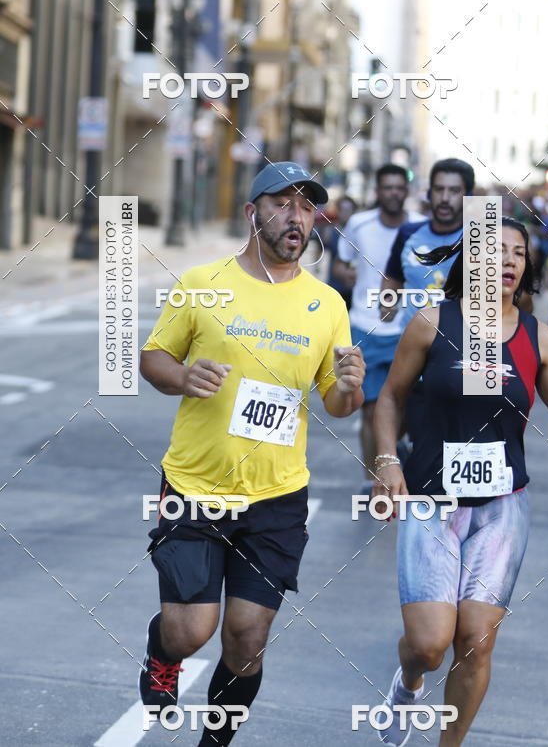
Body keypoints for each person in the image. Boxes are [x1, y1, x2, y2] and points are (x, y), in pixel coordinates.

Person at [138, 161, 365, 745]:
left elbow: (338, 405)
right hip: (196, 485)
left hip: (277, 496)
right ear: (252, 213)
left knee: (245, 639)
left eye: (307, 207)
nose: (297, 217)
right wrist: (183, 376)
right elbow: (152, 358)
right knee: (191, 631)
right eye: (283, 204)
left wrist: (351, 385)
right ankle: (162, 651)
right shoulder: (202, 283)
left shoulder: (327, 304)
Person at [372, 218, 548, 746]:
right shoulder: (432, 322)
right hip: (432, 499)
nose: (510, 261)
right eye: (497, 251)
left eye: (519, 253)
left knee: (475, 641)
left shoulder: (540, 339)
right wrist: (387, 460)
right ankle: (408, 683)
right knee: (429, 644)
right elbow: (391, 397)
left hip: (502, 504)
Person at [332, 165, 424, 487]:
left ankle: (392, 453)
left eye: (400, 188)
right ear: (377, 191)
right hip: (365, 326)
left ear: (406, 192)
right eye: (388, 187)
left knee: (407, 407)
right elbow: (341, 262)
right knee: (370, 409)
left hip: (407, 328)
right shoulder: (359, 224)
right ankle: (373, 479)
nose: (394, 193)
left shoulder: (419, 227)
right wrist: (346, 274)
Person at [379, 158, 475, 444]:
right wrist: (387, 304)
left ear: (468, 195)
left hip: (462, 359)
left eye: (454, 191)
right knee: (397, 431)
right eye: (439, 189)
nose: (444, 198)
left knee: (453, 446)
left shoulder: (481, 237)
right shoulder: (409, 233)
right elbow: (392, 278)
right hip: (413, 358)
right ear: (429, 192)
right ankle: (380, 478)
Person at [324, 195, 358, 309]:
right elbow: (320, 253)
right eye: (343, 210)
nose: (345, 214)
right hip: (334, 285)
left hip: (353, 288)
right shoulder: (329, 232)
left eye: (349, 210)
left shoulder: (359, 234)